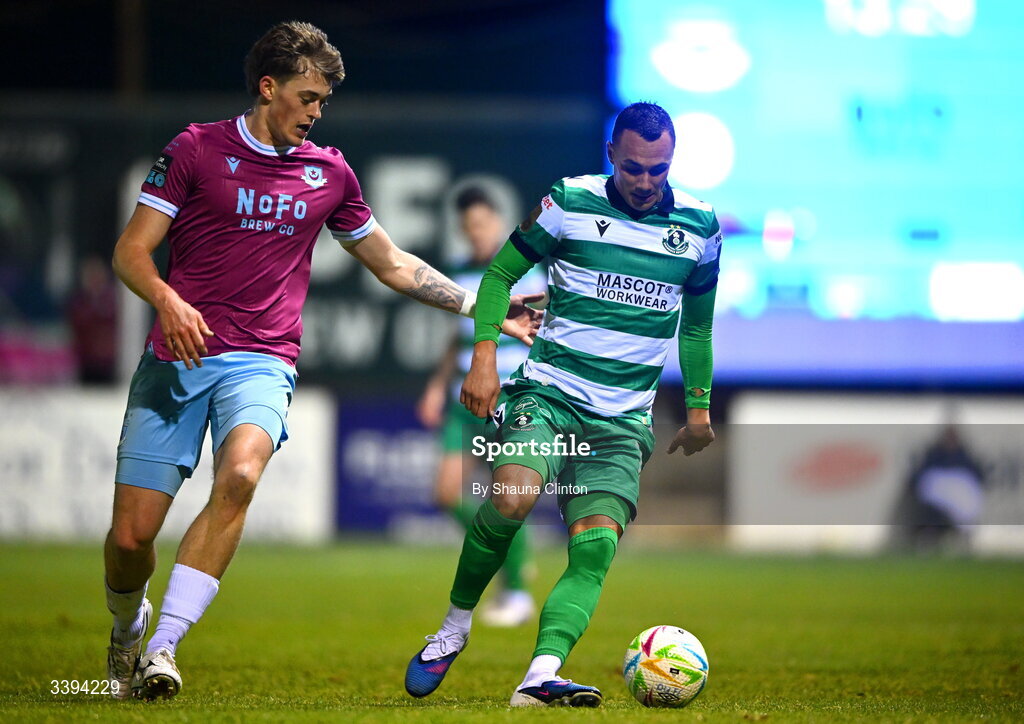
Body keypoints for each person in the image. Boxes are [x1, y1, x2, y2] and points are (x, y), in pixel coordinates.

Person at [103, 21, 540, 702]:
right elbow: (131, 251)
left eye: (324, 101)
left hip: (261, 359)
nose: (316, 112)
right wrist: (165, 298)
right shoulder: (195, 149)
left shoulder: (328, 172)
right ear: (268, 87)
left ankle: (163, 649)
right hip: (176, 359)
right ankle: (130, 626)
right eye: (307, 96)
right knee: (131, 539)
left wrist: (490, 312)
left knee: (242, 473)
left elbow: (394, 264)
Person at [404, 102, 721, 707]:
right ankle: (452, 628)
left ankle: (538, 677)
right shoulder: (569, 203)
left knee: (595, 546)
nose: (647, 181)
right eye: (634, 167)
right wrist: (485, 358)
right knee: (513, 497)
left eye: (659, 169)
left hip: (624, 419)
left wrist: (700, 409)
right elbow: (498, 276)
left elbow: (698, 329)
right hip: (549, 395)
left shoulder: (701, 228)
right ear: (611, 155)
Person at [417, 187, 544, 627]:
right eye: (469, 226)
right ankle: (510, 553)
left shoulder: (527, 271)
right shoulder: (458, 275)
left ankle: (517, 592)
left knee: (508, 496)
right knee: (446, 494)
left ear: (497, 222)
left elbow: (544, 330)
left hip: (510, 395)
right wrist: (436, 387)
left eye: (483, 223)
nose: (477, 232)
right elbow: (457, 340)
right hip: (462, 398)